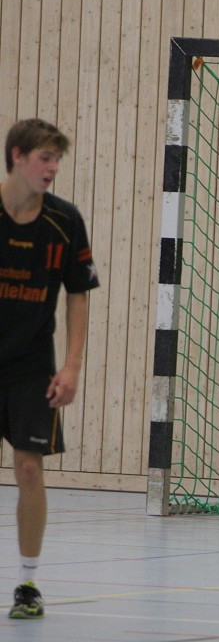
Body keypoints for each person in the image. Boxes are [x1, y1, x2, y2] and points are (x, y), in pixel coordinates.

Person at [1, 119, 99, 619]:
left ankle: (28, 583)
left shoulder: (65, 221)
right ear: (17, 156)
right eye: (45, 158)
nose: (53, 168)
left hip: (31, 365)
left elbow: (78, 293)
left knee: (28, 468)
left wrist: (72, 365)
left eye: (57, 159)